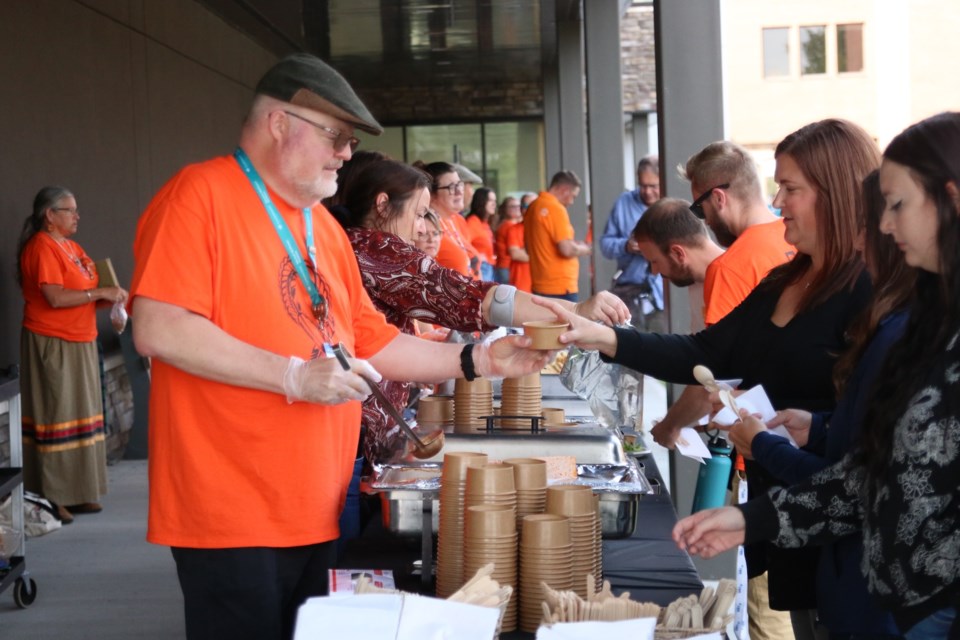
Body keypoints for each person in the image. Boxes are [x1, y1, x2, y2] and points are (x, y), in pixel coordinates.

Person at [129, 53, 551, 640]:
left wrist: (476, 361)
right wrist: (294, 377)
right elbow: (159, 325)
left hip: (315, 505)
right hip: (229, 511)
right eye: (337, 136)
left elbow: (370, 339)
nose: (347, 153)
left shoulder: (320, 225)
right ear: (280, 124)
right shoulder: (199, 195)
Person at [536, 119, 879, 640]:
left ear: (834, 194)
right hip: (783, 504)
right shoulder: (786, 278)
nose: (779, 202)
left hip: (835, 525)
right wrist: (603, 338)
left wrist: (785, 434)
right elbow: (705, 353)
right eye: (779, 186)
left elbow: (869, 435)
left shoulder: (868, 291)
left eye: (791, 189)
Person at [673, 111, 960, 640]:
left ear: (951, 200)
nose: (886, 225)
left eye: (896, 206)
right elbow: (875, 476)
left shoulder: (909, 322)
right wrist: (753, 516)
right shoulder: (923, 322)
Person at [332, 157, 630, 464]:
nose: (422, 229)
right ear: (382, 205)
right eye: (419, 215)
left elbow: (383, 344)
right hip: (357, 430)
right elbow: (467, 295)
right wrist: (575, 309)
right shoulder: (377, 248)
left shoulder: (352, 243)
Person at [16, 186, 129, 524]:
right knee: (56, 416)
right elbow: (56, 298)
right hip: (53, 342)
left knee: (81, 416)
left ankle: (78, 493)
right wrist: (99, 291)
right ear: (49, 215)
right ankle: (52, 496)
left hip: (80, 339)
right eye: (69, 210)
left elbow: (83, 290)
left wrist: (110, 298)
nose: (77, 216)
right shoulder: (41, 247)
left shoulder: (72, 247)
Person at [600, 155, 665, 331]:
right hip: (629, 292)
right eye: (643, 186)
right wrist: (626, 246)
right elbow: (605, 245)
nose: (647, 191)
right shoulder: (624, 202)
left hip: (663, 293)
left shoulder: (670, 204)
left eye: (653, 186)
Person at [524, 170, 592, 301]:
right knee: (566, 321)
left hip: (540, 284)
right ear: (564, 189)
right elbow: (567, 249)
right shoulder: (555, 208)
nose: (572, 202)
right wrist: (586, 249)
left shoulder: (533, 207)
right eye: (573, 196)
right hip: (560, 287)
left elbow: (528, 248)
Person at [416, 160, 478, 278]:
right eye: (451, 187)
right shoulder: (425, 226)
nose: (459, 191)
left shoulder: (458, 220)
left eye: (460, 184)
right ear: (432, 195)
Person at [465, 187, 497, 282]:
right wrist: (478, 255)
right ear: (481, 202)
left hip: (489, 267)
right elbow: (463, 244)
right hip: (481, 268)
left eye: (495, 200)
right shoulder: (472, 222)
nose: (494, 204)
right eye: (490, 200)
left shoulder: (484, 222)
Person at [493, 196, 521, 284]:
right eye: (513, 206)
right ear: (505, 209)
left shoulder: (504, 223)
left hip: (504, 267)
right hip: (506, 267)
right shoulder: (508, 226)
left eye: (518, 206)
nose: (517, 208)